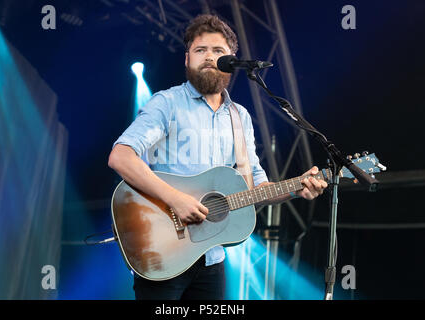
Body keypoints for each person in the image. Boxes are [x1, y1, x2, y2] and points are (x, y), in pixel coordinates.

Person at [108, 14, 327, 300]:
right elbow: (120, 157)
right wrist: (175, 198)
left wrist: (297, 188)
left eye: (218, 51)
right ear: (187, 59)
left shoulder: (240, 117)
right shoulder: (167, 103)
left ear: (232, 61)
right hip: (163, 253)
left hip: (212, 261)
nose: (209, 57)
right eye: (201, 50)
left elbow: (255, 188)